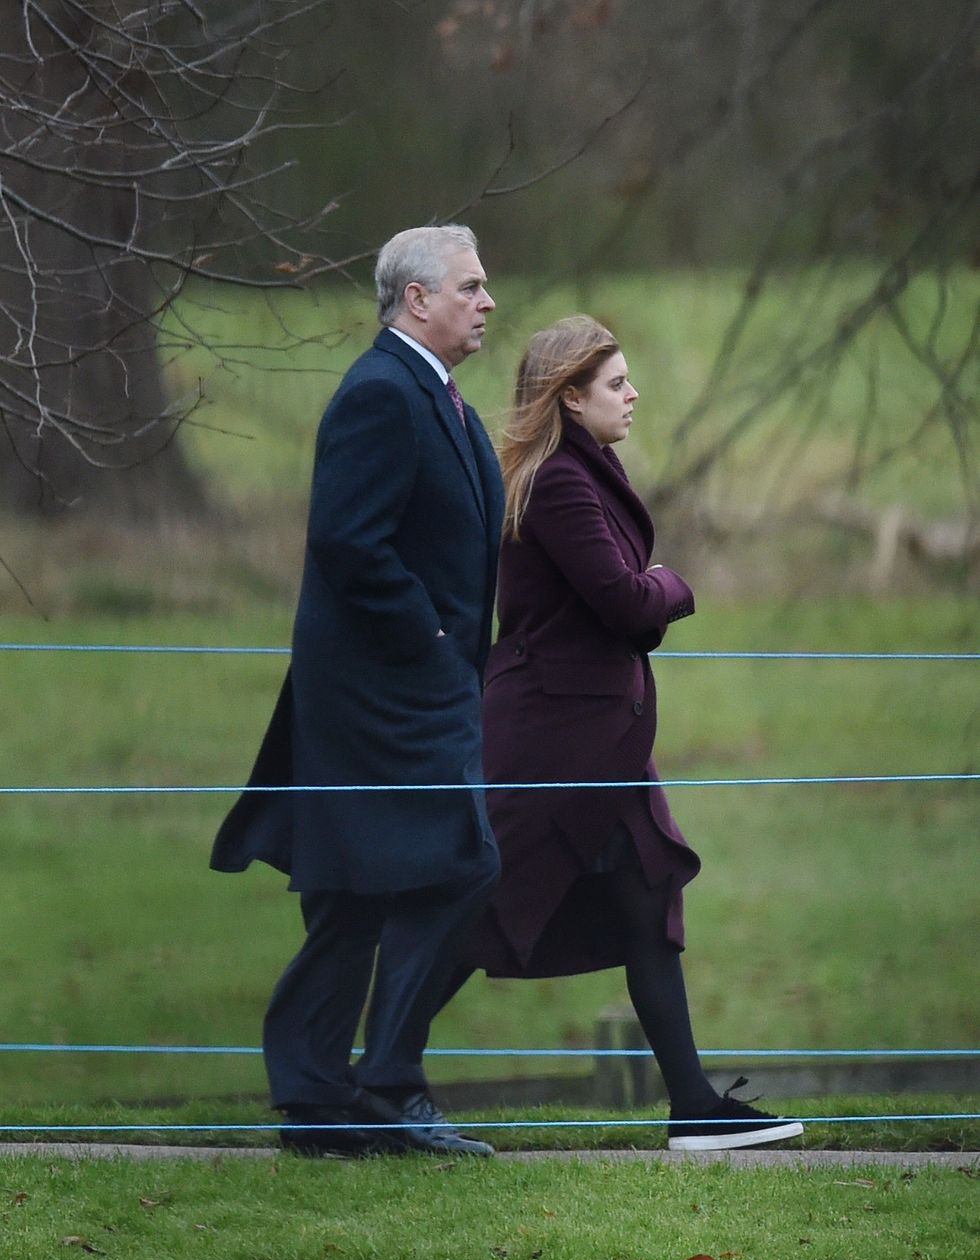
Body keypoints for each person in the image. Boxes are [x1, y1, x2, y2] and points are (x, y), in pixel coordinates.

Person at [461, 315, 803, 1152]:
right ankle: (380, 1079)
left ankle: (693, 1106)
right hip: (555, 739)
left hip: (601, 741)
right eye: (616, 382)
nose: (633, 393)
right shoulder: (560, 483)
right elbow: (626, 605)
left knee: (647, 897)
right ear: (570, 399)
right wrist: (674, 582)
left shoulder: (584, 467)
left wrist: (649, 585)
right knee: (474, 906)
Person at [211, 225, 504, 1158]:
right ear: (416, 298)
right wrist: (430, 637)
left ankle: (316, 1101)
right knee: (461, 862)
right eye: (471, 286)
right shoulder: (381, 392)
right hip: (388, 692)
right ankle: (385, 1082)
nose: (487, 301)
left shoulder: (437, 394)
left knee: (351, 895)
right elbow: (349, 540)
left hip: (415, 685)